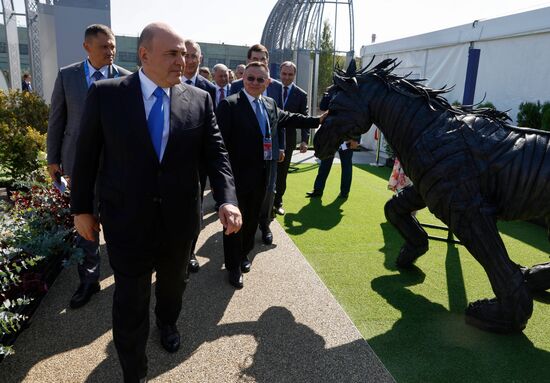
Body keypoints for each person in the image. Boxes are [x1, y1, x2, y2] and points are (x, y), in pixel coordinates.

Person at [70, 22, 241, 382]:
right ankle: (134, 370)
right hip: (127, 220)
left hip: (179, 222)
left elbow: (217, 154)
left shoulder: (200, 99)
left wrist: (227, 199)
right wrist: (81, 209)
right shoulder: (107, 94)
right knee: (130, 300)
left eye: (183, 53)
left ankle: (167, 322)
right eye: (172, 53)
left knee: (173, 286)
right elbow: (85, 157)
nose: (182, 60)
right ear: (144, 55)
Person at [46, 24, 131, 309]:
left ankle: (123, 275)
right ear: (87, 47)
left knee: (118, 222)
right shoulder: (67, 76)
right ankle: (88, 281)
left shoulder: (126, 80)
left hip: (114, 167)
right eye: (104, 46)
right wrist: (53, 159)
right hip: (77, 166)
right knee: (85, 222)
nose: (110, 51)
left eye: (113, 46)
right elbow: (57, 120)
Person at [217, 61, 321, 289]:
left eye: (260, 79)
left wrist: (318, 120)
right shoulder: (229, 105)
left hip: (263, 175)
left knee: (252, 218)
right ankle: (232, 266)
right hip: (237, 178)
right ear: (243, 80)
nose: (254, 82)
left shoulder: (270, 104)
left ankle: (244, 254)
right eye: (250, 78)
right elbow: (220, 148)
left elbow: (291, 118)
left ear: (268, 82)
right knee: (234, 223)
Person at [229, 44, 284, 246]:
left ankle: (265, 225)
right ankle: (240, 238)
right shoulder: (236, 89)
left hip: (270, 153)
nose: (259, 62)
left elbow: (280, 119)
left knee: (268, 191)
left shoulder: (276, 87)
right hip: (245, 159)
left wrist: (281, 147)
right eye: (255, 58)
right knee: (246, 198)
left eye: (263, 59)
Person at [182, 39, 217, 273]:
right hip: (169, 160)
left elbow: (211, 129)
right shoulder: (166, 81)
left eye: (195, 56)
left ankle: (190, 252)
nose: (190, 60)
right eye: (187, 55)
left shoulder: (209, 89)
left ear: (200, 59)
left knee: (195, 210)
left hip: (197, 162)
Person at [306, 91, 360, 199]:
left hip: (347, 138)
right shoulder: (332, 91)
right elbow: (322, 107)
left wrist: (356, 138)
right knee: (325, 163)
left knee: (346, 165)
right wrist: (327, 94)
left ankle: (344, 193)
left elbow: (359, 118)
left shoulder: (355, 94)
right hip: (331, 137)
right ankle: (317, 190)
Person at [273, 61, 310, 215]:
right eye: (284, 74)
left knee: (282, 172)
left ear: (294, 75)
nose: (286, 77)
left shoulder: (301, 95)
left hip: (288, 140)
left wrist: (304, 140)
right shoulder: (270, 88)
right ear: (279, 73)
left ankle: (278, 202)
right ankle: (264, 202)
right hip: (269, 138)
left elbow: (304, 118)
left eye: (290, 74)